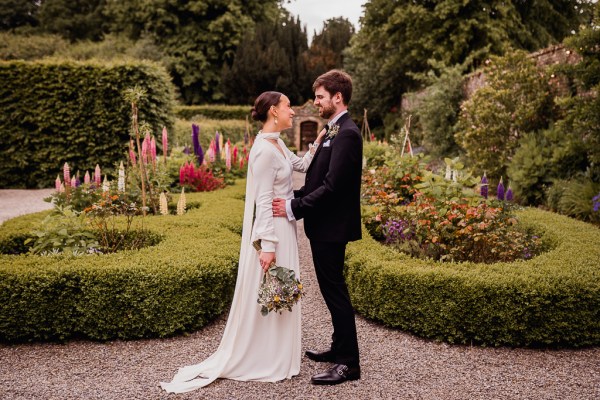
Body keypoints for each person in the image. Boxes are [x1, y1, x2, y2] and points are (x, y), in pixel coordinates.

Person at [160, 91, 326, 393]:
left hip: (285, 227)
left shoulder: (276, 142)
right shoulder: (263, 150)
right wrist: (268, 245)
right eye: (288, 107)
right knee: (272, 288)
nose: (293, 112)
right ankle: (264, 355)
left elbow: (301, 166)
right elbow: (262, 201)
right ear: (274, 111)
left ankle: (279, 352)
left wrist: (319, 141)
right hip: (274, 229)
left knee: (282, 288)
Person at [273, 69, 362, 385]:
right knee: (331, 289)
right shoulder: (334, 130)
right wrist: (293, 195)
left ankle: (349, 364)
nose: (316, 102)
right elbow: (318, 179)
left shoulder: (348, 132)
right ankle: (339, 348)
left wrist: (293, 207)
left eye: (320, 97)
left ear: (338, 97)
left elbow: (334, 186)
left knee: (335, 292)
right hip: (324, 225)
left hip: (333, 226)